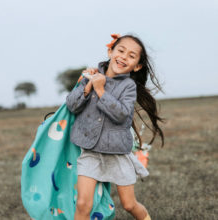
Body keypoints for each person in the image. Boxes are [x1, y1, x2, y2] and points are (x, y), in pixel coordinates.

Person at [66, 33, 164, 220]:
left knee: (129, 204)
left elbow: (122, 115)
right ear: (110, 51)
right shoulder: (91, 76)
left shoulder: (128, 86)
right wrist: (87, 87)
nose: (123, 57)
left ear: (137, 66)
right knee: (82, 204)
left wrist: (101, 90)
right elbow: (72, 106)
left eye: (131, 56)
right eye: (121, 50)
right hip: (90, 152)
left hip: (117, 154)